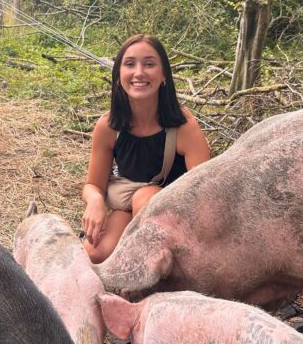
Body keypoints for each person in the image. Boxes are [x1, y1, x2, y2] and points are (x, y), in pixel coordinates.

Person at [82, 34, 210, 263]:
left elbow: (205, 192)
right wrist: (95, 202)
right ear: (119, 74)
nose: (139, 73)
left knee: (145, 197)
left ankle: (156, 268)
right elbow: (93, 185)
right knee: (94, 254)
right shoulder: (108, 126)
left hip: (175, 217)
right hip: (128, 207)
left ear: (163, 75)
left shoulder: (184, 127)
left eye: (149, 64)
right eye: (130, 64)